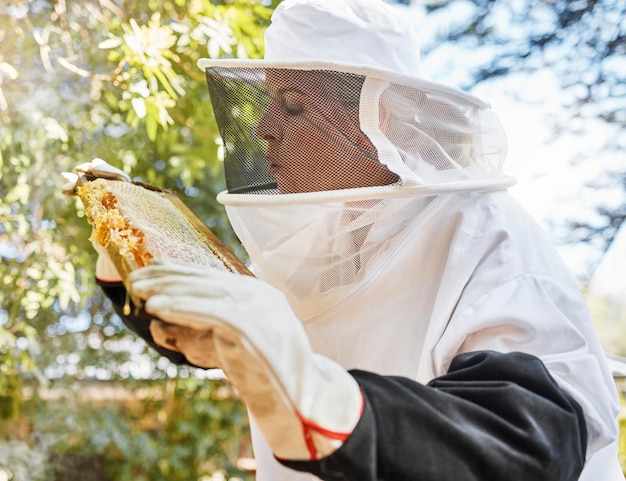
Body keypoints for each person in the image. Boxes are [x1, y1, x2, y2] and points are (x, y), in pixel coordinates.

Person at [66, 1, 623, 480]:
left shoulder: (481, 229)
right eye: (270, 102)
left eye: (293, 105)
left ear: (374, 116)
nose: (263, 128)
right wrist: (132, 254)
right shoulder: (325, 240)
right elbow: (230, 342)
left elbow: (532, 436)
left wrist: (321, 399)